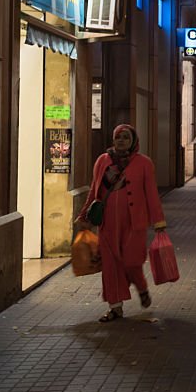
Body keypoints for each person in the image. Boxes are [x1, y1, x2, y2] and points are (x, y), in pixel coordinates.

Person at [76, 124, 167, 322]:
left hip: (134, 223)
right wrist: (84, 216)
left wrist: (158, 220)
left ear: (133, 140)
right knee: (111, 265)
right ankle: (115, 307)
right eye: (118, 137)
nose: (122, 141)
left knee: (132, 261)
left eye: (126, 137)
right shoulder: (103, 161)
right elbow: (94, 191)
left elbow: (151, 193)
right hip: (107, 223)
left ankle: (141, 287)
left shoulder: (144, 163)